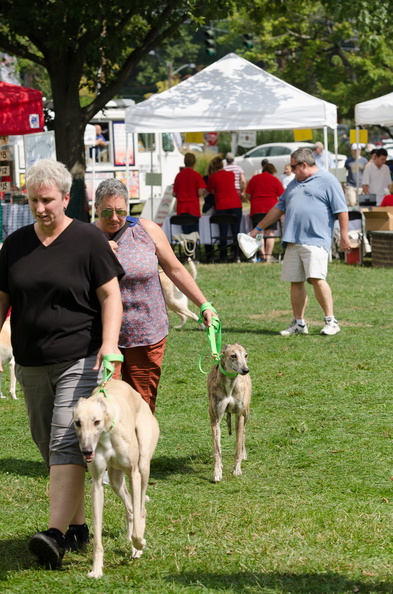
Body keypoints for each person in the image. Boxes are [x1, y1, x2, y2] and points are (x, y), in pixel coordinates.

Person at [0, 159, 124, 569]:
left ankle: (54, 536)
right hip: (31, 363)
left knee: (64, 441)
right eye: (33, 200)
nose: (40, 208)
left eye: (47, 200)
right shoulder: (15, 244)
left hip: (80, 358)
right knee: (46, 446)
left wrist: (108, 345)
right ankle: (78, 527)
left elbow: (110, 297)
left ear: (66, 199)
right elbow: (3, 299)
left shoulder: (87, 239)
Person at [94, 178, 217, 414]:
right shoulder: (86, 237)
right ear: (97, 208)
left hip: (146, 332)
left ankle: (140, 450)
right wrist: (98, 253)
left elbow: (175, 269)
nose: (114, 218)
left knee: (141, 404)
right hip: (102, 336)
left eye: (121, 211)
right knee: (105, 402)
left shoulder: (146, 230)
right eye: (107, 211)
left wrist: (204, 304)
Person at [250, 148, 350, 336]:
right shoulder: (294, 184)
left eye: (294, 166)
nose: (291, 170)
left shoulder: (328, 180)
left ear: (304, 165)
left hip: (315, 239)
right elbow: (278, 208)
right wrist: (257, 229)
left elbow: (342, 210)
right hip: (292, 240)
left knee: (317, 279)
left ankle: (331, 321)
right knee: (295, 281)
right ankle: (299, 323)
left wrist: (344, 236)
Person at [206, 155, 242, 262]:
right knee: (236, 232)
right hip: (236, 204)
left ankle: (223, 255)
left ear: (213, 167)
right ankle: (237, 255)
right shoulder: (231, 174)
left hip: (222, 205)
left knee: (223, 233)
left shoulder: (213, 177)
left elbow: (209, 190)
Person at [245, 163, 285, 262]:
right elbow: (282, 195)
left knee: (259, 234)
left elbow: (248, 194)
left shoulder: (254, 179)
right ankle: (268, 256)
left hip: (257, 208)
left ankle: (262, 255)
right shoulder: (275, 179)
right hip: (271, 209)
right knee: (270, 233)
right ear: (272, 171)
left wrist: (253, 201)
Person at [172, 152, 206, 233]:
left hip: (182, 208)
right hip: (193, 208)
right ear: (194, 162)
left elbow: (174, 193)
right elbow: (200, 193)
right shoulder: (197, 175)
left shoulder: (179, 175)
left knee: (185, 235)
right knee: (194, 234)